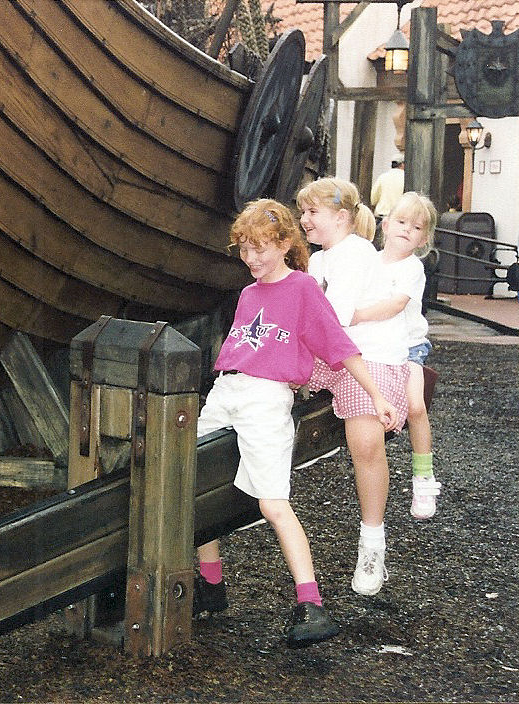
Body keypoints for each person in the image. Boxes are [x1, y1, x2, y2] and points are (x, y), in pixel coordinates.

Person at [191, 199, 398, 648]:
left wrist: (377, 395)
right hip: (226, 390)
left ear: (285, 243)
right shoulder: (247, 294)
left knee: (272, 503)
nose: (252, 258)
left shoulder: (303, 288)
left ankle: (311, 603)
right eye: (244, 249)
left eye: (261, 248)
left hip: (267, 398)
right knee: (192, 479)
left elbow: (340, 347)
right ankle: (211, 585)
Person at [296, 178, 411, 597]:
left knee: (364, 442)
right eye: (303, 212)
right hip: (335, 354)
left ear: (341, 217)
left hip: (371, 356)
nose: (304, 220)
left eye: (312, 212)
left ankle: (373, 543)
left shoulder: (356, 253)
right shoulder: (318, 260)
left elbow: (336, 316)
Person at [352, 192, 441, 519]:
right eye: (401, 222)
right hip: (375, 347)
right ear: (386, 226)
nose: (406, 230)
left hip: (407, 347)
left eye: (416, 227)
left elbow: (395, 305)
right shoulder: (368, 262)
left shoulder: (412, 268)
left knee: (416, 406)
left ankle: (423, 475)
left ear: (424, 238)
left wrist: (356, 315)